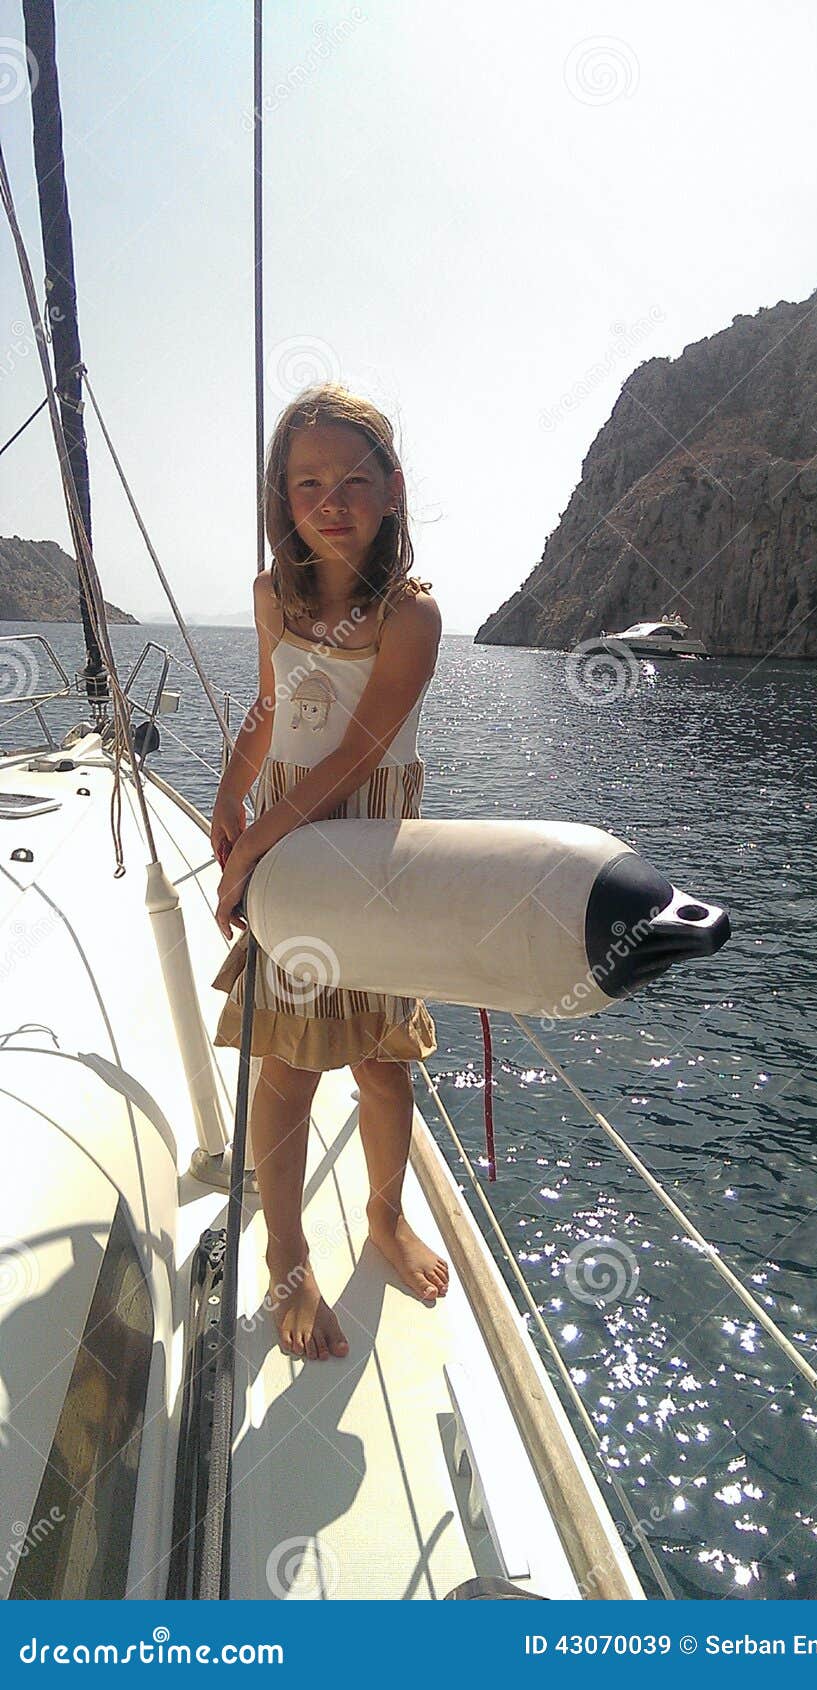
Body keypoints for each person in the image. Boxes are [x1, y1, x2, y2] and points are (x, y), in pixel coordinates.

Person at [209, 382, 449, 1362]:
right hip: (291, 843)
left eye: (354, 478)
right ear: (281, 496)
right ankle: (286, 1250)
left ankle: (383, 1216)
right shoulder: (273, 597)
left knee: (382, 1060)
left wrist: (260, 841)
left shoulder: (411, 616)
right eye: (307, 481)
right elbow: (273, 706)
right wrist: (230, 795)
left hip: (363, 844)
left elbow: (357, 748)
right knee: (290, 1068)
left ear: (391, 491)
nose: (331, 498)